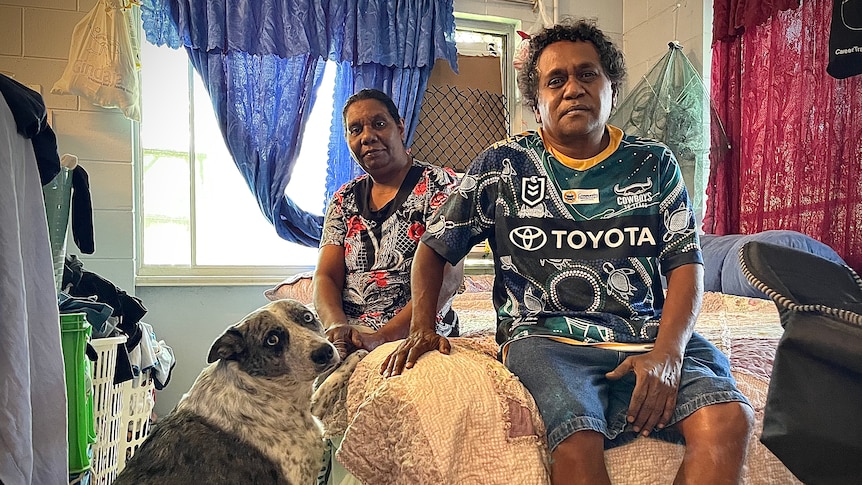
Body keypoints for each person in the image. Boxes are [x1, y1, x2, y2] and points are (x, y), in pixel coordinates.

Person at [382, 20, 754, 485]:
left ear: (612, 89)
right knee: (577, 439)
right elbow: (435, 247)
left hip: (644, 333)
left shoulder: (654, 162)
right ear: (536, 106)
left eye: (587, 74)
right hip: (545, 340)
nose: (573, 89)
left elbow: (686, 265)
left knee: (729, 420)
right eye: (555, 81)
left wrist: (667, 355)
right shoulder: (503, 166)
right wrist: (422, 326)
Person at [313, 88, 464, 358]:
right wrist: (337, 327)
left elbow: (448, 276)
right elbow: (326, 276)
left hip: (419, 330)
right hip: (352, 330)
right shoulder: (343, 200)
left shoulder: (440, 186)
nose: (367, 137)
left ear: (400, 127)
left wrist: (382, 338)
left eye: (379, 124)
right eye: (355, 129)